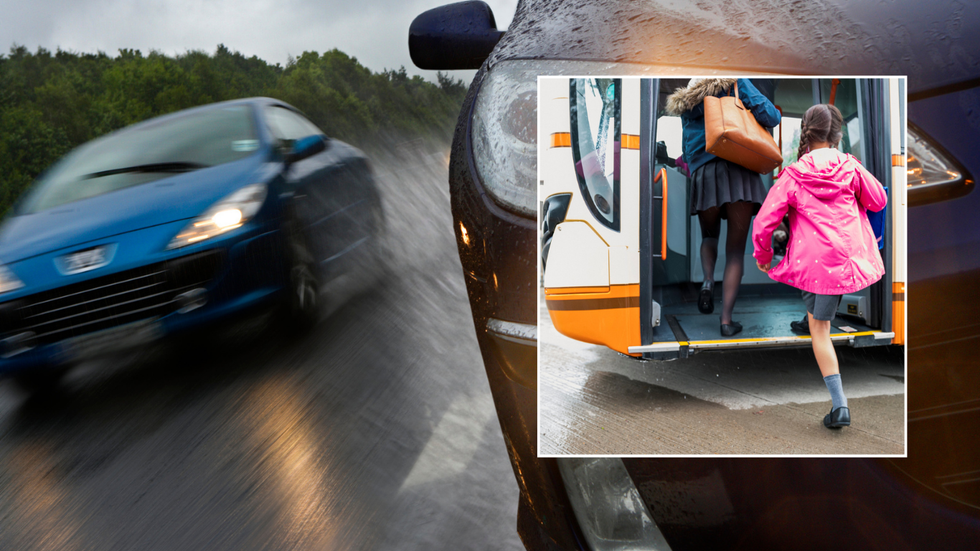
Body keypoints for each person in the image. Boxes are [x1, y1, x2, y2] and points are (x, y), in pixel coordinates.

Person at [752, 104, 887, 429]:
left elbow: (764, 222)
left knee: (820, 330)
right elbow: (878, 200)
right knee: (816, 318)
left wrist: (764, 254)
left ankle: (840, 407)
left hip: (815, 263)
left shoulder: (794, 174)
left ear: (806, 134)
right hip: (845, 258)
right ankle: (837, 403)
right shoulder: (850, 167)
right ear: (837, 135)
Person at [665, 78, 781, 336]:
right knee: (736, 253)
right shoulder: (732, 81)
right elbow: (771, 117)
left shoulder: (688, 99)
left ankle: (707, 281)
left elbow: (687, 148)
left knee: (709, 236)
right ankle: (726, 321)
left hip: (705, 175)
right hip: (739, 169)